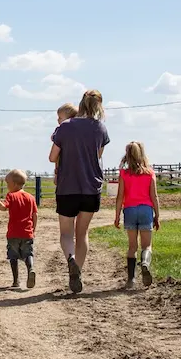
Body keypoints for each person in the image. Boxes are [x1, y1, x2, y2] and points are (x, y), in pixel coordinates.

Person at [48, 89, 109, 295]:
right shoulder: (100, 128)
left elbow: (52, 156)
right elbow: (98, 154)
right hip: (91, 187)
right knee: (82, 233)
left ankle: (71, 260)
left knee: (66, 233)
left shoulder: (65, 126)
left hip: (67, 187)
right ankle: (78, 273)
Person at [112, 141, 160, 288]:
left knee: (132, 247)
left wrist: (117, 215)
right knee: (147, 246)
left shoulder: (124, 174)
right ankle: (145, 262)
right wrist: (157, 215)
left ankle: (131, 280)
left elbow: (120, 197)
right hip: (146, 209)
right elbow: (154, 196)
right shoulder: (149, 173)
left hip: (130, 210)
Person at [0, 168, 38, 289]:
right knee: (28, 254)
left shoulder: (11, 195)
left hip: (13, 233)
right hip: (27, 233)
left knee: (13, 256)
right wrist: (33, 229)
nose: (7, 186)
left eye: (8, 183)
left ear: (15, 184)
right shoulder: (30, 197)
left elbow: (3, 207)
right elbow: (35, 215)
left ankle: (16, 281)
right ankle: (30, 268)